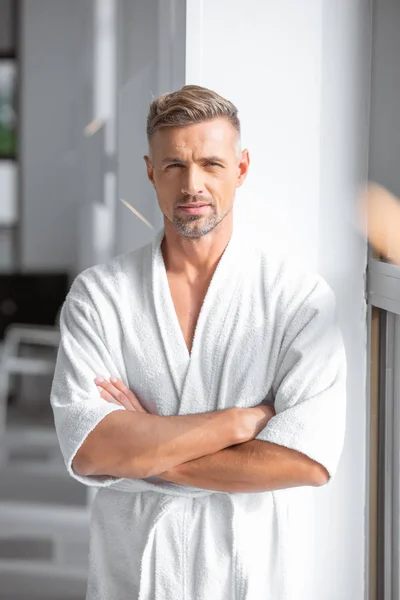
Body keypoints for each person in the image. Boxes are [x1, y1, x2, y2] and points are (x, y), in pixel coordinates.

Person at [51, 85, 346, 600]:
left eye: (211, 163)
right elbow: (89, 449)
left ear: (242, 167)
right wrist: (238, 424)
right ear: (149, 172)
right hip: (136, 568)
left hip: (250, 570)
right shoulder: (99, 296)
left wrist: (143, 450)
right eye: (174, 166)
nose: (193, 185)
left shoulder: (297, 298)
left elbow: (306, 459)